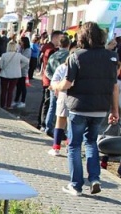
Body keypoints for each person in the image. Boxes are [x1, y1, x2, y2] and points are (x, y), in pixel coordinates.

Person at [55, 22, 119, 196]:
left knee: (74, 146)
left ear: (81, 37)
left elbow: (67, 83)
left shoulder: (76, 56)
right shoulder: (111, 57)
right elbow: (114, 87)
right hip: (100, 108)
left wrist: (57, 86)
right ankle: (95, 178)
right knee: (91, 142)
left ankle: (76, 185)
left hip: (79, 107)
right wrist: (115, 110)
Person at [44, 35, 71, 136]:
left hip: (54, 84)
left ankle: (48, 127)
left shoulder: (53, 55)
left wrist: (53, 80)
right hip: (65, 85)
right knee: (64, 111)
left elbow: (47, 70)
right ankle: (62, 131)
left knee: (52, 107)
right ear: (68, 44)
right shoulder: (69, 56)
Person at [37, 30, 63, 131]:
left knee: (46, 102)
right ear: (55, 38)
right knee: (47, 103)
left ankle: (42, 123)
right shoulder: (50, 49)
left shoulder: (48, 47)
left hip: (48, 79)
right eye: (60, 38)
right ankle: (43, 123)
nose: (61, 41)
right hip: (49, 80)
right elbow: (50, 66)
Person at [0, 41, 29, 110]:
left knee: (3, 91)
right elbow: (27, 61)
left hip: (5, 74)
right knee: (10, 91)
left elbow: (0, 65)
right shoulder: (18, 55)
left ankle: (2, 105)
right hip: (15, 75)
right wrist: (19, 67)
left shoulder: (4, 55)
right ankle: (8, 105)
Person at [13, 36, 32, 108]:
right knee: (18, 86)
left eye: (21, 41)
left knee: (22, 86)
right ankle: (16, 100)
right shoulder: (21, 49)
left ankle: (22, 101)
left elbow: (23, 59)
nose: (20, 42)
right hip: (18, 69)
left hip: (23, 70)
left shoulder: (28, 50)